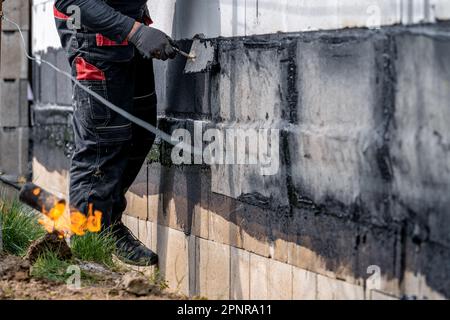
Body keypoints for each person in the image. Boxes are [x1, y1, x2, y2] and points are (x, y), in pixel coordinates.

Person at [54, 0, 177, 266]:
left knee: (139, 136)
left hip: (130, 41)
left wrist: (136, 32)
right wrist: (136, 32)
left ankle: (106, 224)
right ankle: (87, 258)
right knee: (101, 149)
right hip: (95, 45)